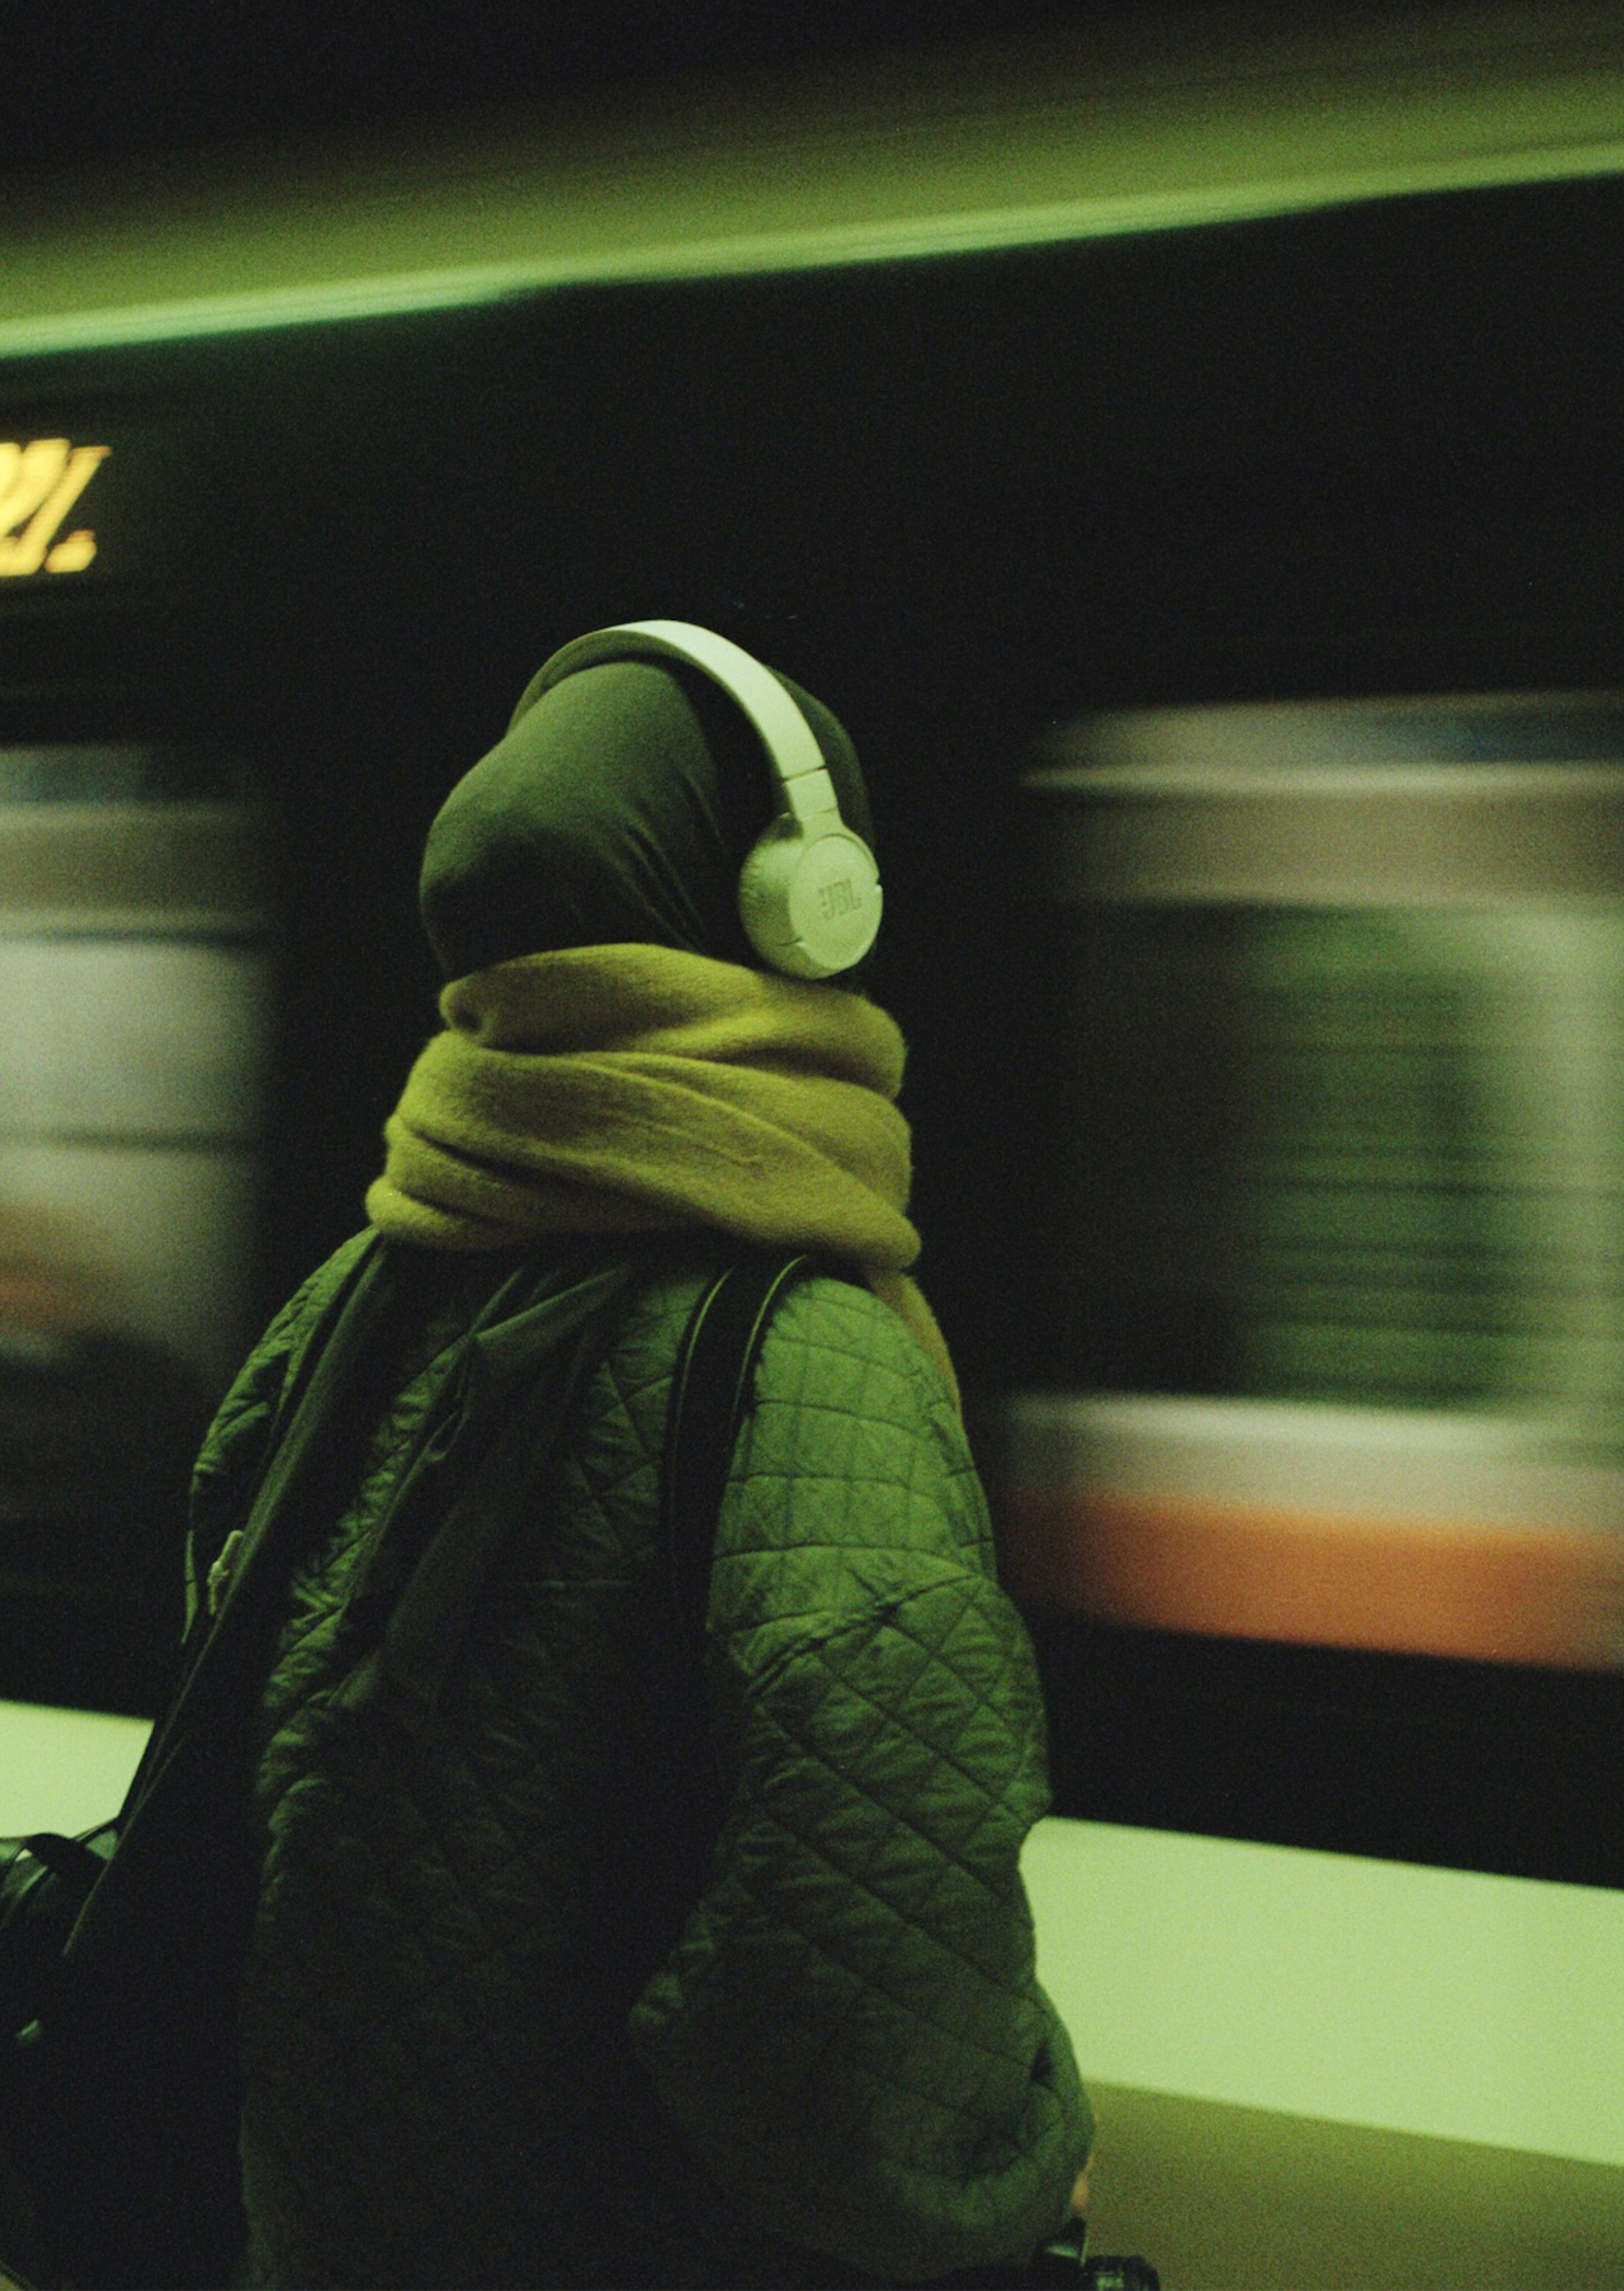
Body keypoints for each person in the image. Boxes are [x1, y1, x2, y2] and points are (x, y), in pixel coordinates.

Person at [191, 625, 1095, 2289]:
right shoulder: (810, 1368)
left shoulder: (352, 1302)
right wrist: (1026, 2156)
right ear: (803, 903)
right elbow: (853, 2026)